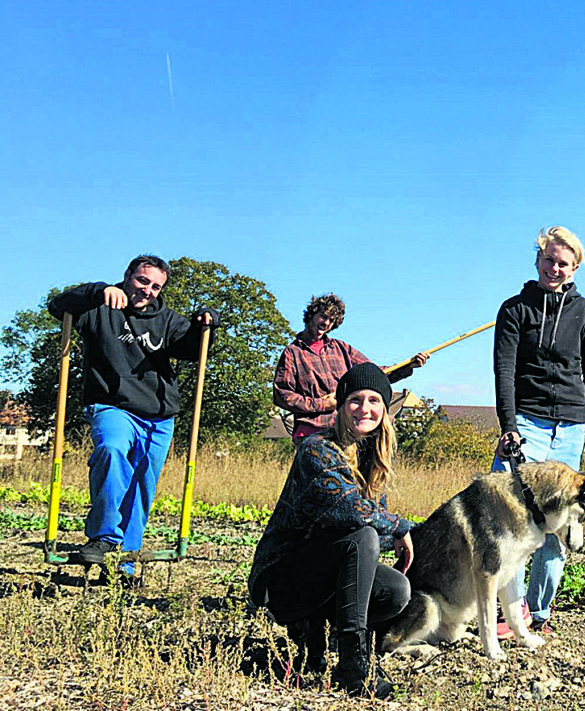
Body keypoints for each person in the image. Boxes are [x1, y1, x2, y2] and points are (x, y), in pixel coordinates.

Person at [249, 363, 415, 699]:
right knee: (363, 536)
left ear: (384, 409)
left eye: (374, 401)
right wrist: (402, 527)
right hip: (280, 582)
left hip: (320, 575)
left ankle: (319, 636)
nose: (364, 409)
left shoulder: (371, 461)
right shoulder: (316, 449)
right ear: (340, 407)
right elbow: (348, 511)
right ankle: (354, 664)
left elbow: (368, 528)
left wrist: (391, 533)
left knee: (396, 589)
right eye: (354, 400)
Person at [47, 255, 218, 572]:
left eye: (156, 286)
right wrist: (97, 291)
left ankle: (124, 565)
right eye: (142, 281)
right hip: (111, 406)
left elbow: (194, 348)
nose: (148, 290)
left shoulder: (168, 320)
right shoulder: (98, 307)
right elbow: (59, 305)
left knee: (142, 485)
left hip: (158, 416)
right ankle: (103, 539)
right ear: (127, 276)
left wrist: (205, 322)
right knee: (112, 450)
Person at [492, 225, 585, 633]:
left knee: (557, 524)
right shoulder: (514, 309)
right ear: (537, 259)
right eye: (549, 261)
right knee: (513, 518)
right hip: (527, 421)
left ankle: (539, 611)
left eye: (563, 264)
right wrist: (509, 427)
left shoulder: (584, 310)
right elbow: (503, 371)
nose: (554, 269)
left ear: (574, 268)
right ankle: (513, 609)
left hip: (572, 425)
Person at [273, 293, 429, 442]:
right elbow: (282, 395)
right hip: (311, 433)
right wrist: (322, 404)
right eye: (323, 316)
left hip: (345, 430)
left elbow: (373, 375)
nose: (326, 323)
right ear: (311, 315)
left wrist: (409, 366)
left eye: (332, 320)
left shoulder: (342, 349)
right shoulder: (292, 353)